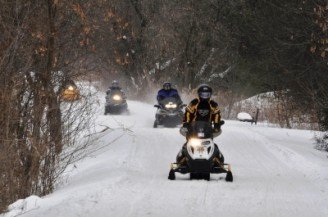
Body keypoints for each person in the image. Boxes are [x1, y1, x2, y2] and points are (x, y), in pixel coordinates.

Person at [176, 84, 225, 165]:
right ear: (199, 94)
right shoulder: (194, 103)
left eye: (207, 95)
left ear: (210, 95)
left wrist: (217, 124)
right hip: (193, 128)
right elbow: (188, 113)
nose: (205, 96)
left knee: (211, 143)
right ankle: (183, 158)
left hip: (207, 128)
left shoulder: (213, 104)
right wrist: (186, 123)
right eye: (203, 94)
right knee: (188, 143)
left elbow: (216, 114)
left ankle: (215, 158)